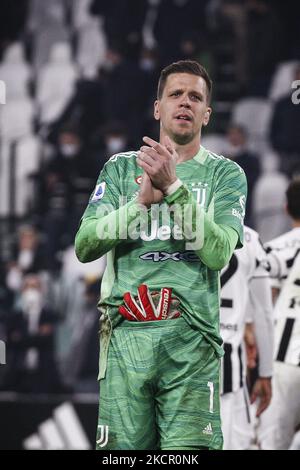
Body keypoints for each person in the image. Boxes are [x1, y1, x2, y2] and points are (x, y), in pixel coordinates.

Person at [75, 60, 247, 450]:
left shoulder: (227, 175)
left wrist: (172, 188)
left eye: (195, 97)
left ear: (207, 113)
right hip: (125, 339)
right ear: (158, 108)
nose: (185, 103)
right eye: (175, 94)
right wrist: (138, 205)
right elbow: (84, 245)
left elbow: (218, 252)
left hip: (191, 345)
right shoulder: (120, 171)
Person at [220, 225, 273, 450]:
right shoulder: (250, 238)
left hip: (182, 351)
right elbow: (264, 311)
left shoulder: (174, 227)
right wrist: (266, 373)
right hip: (226, 356)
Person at [257, 177, 300, 449]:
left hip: (283, 359)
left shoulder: (274, 249)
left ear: (286, 208)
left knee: (273, 441)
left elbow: (261, 304)